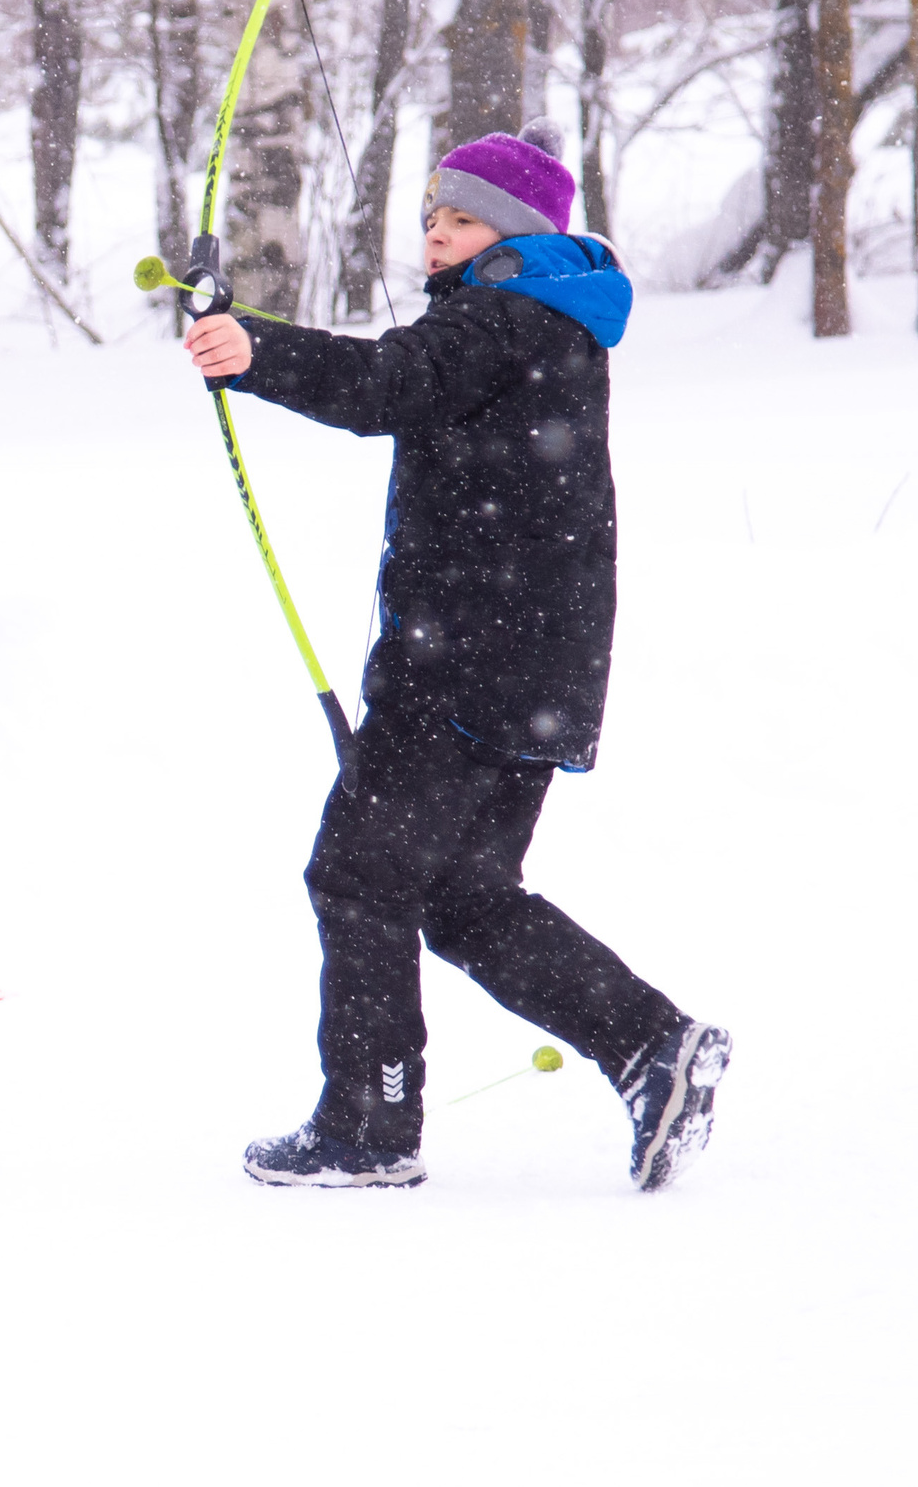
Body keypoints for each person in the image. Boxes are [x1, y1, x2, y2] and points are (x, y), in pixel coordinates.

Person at [180, 118, 730, 1192]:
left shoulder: (505, 316)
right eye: (433, 214)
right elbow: (414, 381)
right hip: (525, 670)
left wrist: (253, 348)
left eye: (464, 219)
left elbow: (388, 382)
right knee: (466, 896)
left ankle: (367, 1129)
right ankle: (652, 1045)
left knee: (357, 876)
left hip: (465, 669)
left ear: (515, 235)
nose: (436, 233)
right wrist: (251, 340)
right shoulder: (541, 319)